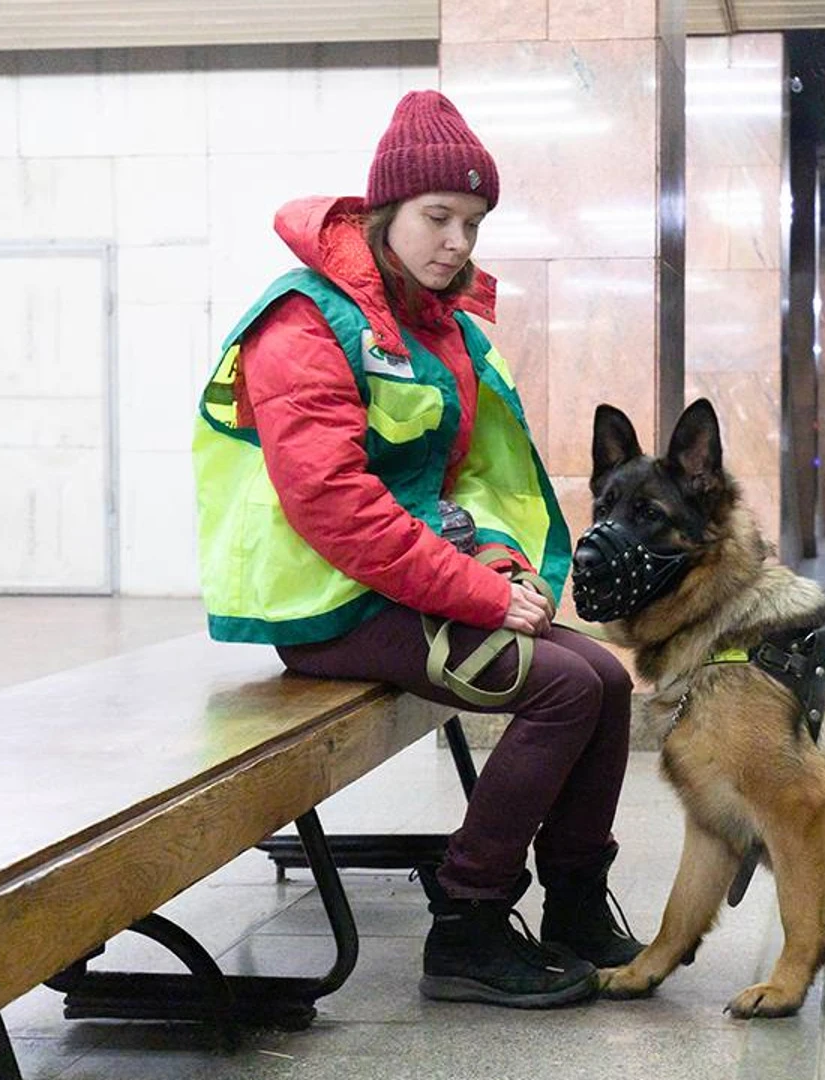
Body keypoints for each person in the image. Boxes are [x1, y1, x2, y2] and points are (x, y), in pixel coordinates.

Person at [192, 91, 640, 1010]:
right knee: (560, 689)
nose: (457, 242)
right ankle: (467, 926)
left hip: (409, 587)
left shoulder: (445, 332)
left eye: (472, 223)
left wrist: (503, 566)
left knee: (609, 679)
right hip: (328, 606)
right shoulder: (305, 323)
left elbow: (467, 478)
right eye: (439, 217)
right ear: (385, 212)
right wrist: (478, 596)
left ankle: (576, 904)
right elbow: (336, 507)